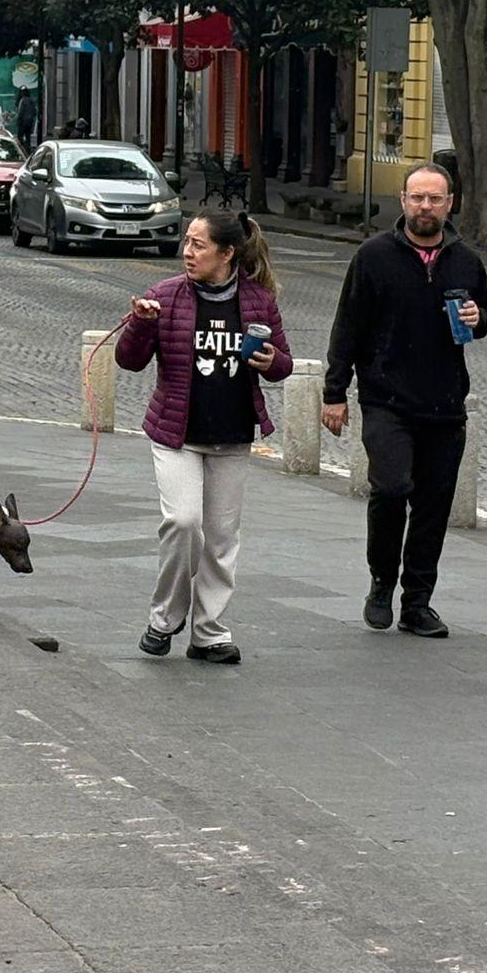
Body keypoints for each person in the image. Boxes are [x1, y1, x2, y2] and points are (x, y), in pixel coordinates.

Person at [320, 161, 487, 640]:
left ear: (449, 204)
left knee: (434, 505)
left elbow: (483, 315)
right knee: (392, 488)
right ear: (402, 202)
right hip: (386, 399)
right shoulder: (374, 256)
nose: (425, 207)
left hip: (443, 403)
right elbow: (348, 327)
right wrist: (334, 393)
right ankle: (382, 582)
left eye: (435, 199)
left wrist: (478, 317)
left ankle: (418, 602)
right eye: (417, 198)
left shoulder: (465, 259)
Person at [115, 210, 294, 665]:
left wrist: (270, 360)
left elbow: (284, 364)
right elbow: (129, 360)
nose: (187, 252)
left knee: (220, 537)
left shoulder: (257, 301)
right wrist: (140, 323)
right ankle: (163, 618)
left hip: (232, 434)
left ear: (227, 253)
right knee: (183, 522)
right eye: (187, 242)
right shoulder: (166, 296)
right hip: (176, 433)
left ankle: (209, 632)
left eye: (198, 244)